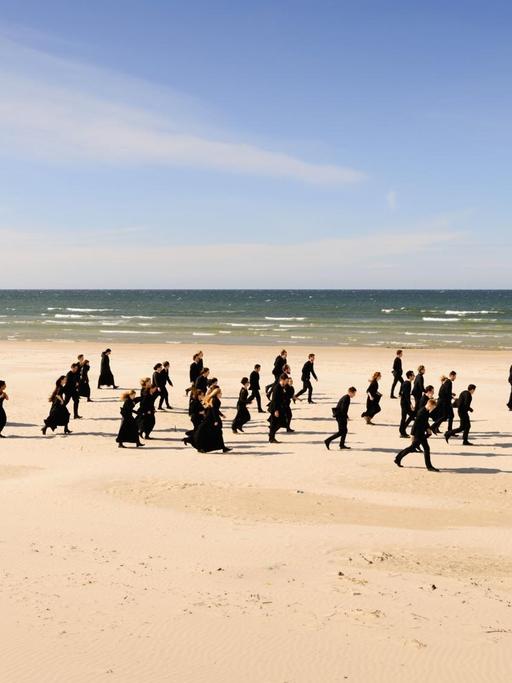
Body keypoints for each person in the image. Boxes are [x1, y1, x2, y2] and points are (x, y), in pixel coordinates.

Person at [394, 398, 439, 472]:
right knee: (422, 448)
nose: (433, 409)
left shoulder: (426, 411)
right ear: (430, 405)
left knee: (414, 448)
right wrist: (412, 435)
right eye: (433, 407)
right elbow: (415, 424)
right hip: (418, 434)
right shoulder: (421, 412)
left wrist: (428, 429)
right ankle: (429, 466)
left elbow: (425, 421)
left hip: (421, 433)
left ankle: (398, 459)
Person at [194, 387, 231, 453]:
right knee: (214, 432)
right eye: (220, 393)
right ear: (217, 394)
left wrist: (221, 415)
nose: (221, 394)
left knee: (218, 432)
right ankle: (203, 448)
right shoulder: (215, 400)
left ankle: (223, 447)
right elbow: (214, 410)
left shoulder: (214, 399)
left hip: (211, 417)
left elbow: (215, 409)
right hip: (211, 418)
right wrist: (216, 420)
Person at [268, 374, 288, 443]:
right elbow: (274, 400)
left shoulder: (281, 387)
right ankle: (271, 438)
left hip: (279, 408)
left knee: (279, 423)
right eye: (286, 381)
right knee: (274, 424)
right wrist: (276, 410)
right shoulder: (277, 387)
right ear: (282, 380)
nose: (286, 382)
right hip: (275, 408)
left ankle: (271, 435)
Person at [399, 370, 415, 437]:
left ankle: (402, 430)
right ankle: (402, 431)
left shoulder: (405, 382)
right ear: (410, 376)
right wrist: (410, 404)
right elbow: (406, 395)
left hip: (403, 402)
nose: (414, 376)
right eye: (413, 375)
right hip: (405, 403)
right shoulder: (407, 383)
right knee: (408, 416)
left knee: (408, 416)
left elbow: (400, 392)